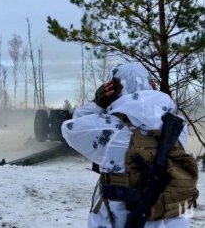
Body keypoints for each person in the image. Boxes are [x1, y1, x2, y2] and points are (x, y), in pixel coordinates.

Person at [61, 63, 198, 228]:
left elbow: (70, 128)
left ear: (113, 90)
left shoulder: (110, 129)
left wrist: (98, 104)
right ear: (152, 86)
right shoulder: (177, 128)